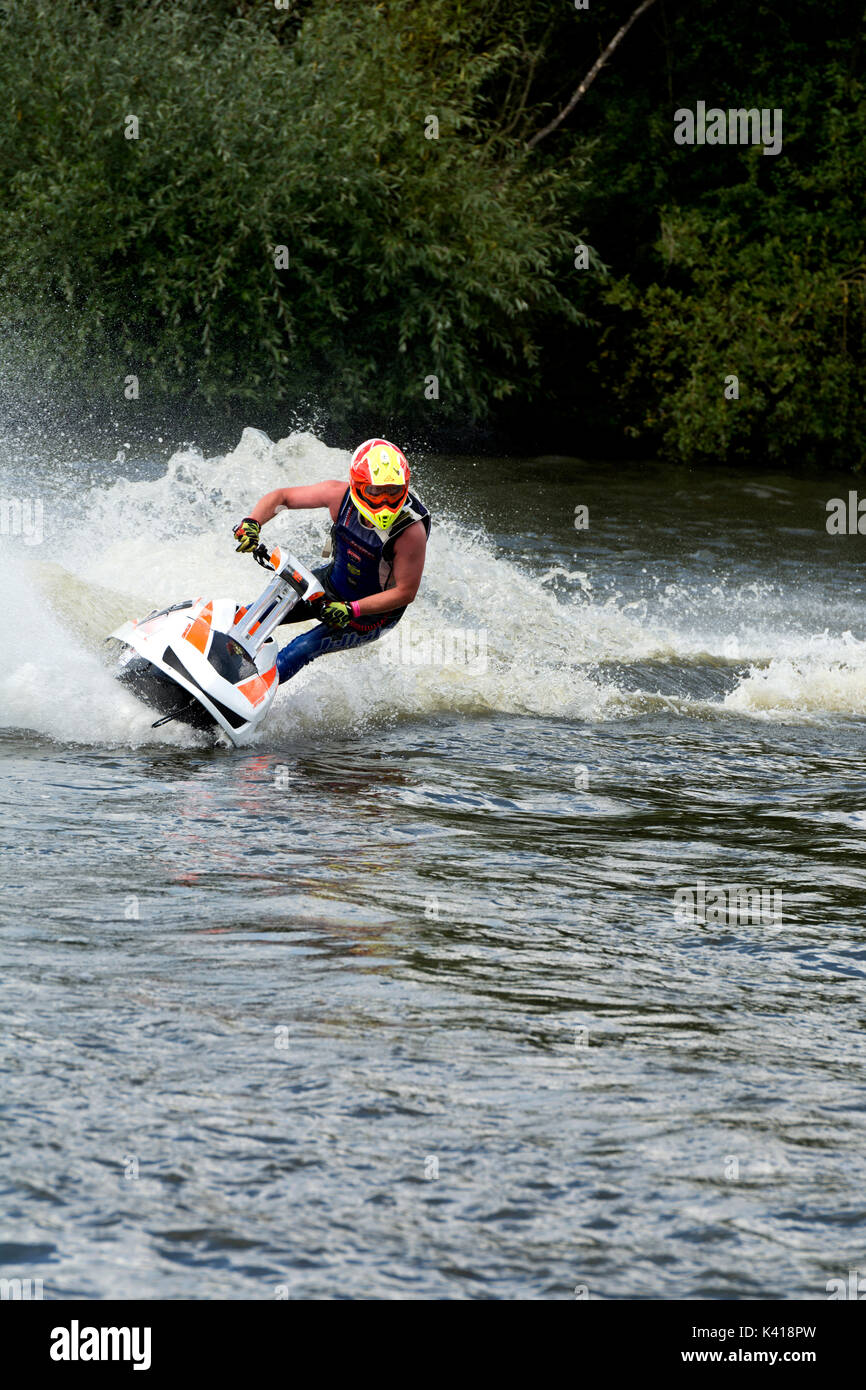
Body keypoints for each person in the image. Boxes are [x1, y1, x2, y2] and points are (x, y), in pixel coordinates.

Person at [232, 439, 430, 685]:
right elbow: (283, 497)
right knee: (250, 619)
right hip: (330, 584)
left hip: (368, 616)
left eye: (393, 492)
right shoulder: (338, 496)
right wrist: (253, 523)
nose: (384, 502)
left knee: (303, 647)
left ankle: (250, 692)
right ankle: (216, 667)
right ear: (358, 485)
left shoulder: (411, 532)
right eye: (375, 492)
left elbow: (405, 593)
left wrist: (351, 609)